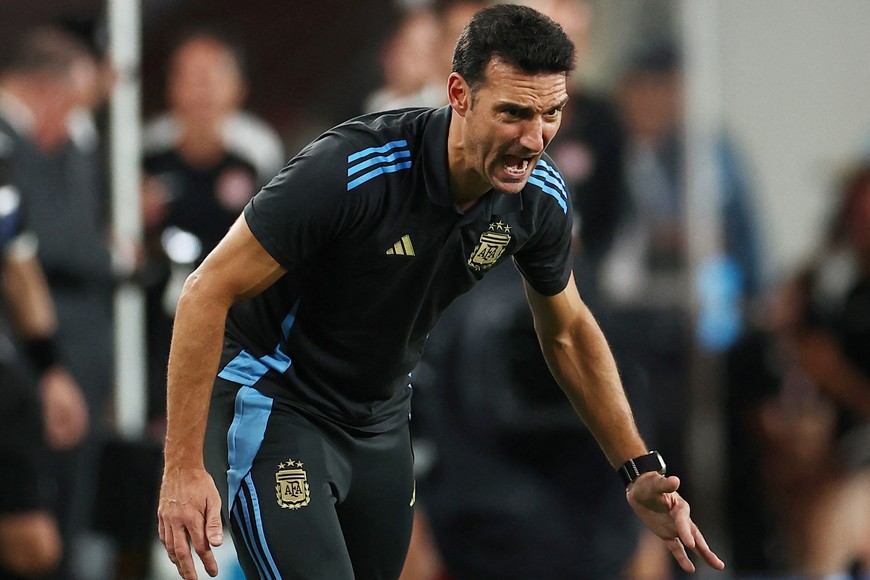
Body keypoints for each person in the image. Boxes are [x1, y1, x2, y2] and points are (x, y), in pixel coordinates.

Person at [157, 5, 725, 579]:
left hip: (381, 422)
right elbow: (205, 291)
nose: (534, 139)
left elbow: (570, 333)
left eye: (551, 114)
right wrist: (182, 466)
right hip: (281, 406)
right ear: (459, 94)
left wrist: (637, 468)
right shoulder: (351, 170)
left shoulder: (538, 199)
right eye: (514, 113)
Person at [0, 25, 110, 579]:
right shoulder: (6, 143)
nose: (70, 129)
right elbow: (29, 260)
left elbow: (18, 257)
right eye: (70, 109)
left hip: (30, 367)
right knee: (35, 539)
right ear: (45, 86)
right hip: (14, 373)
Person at [141, 27, 285, 431]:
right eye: (189, 75)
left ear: (238, 85)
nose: (200, 88)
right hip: (161, 317)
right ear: (171, 85)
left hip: (235, 314)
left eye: (212, 75)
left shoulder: (258, 151)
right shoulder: (145, 152)